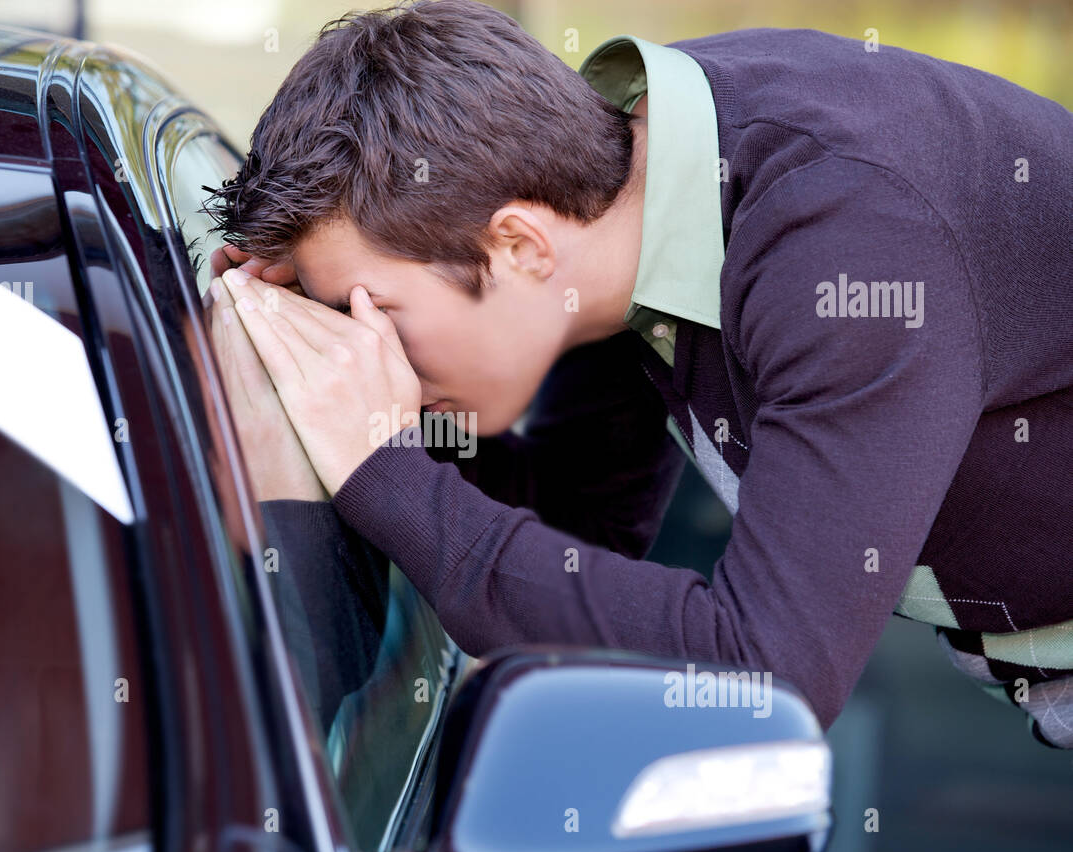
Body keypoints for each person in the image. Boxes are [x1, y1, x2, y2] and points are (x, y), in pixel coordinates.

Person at [204, 0, 1073, 747]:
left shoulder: (850, 255)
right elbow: (578, 540)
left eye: (376, 315)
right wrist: (315, 400)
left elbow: (766, 679)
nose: (369, 354)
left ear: (518, 244)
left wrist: (377, 463)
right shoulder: (619, 201)